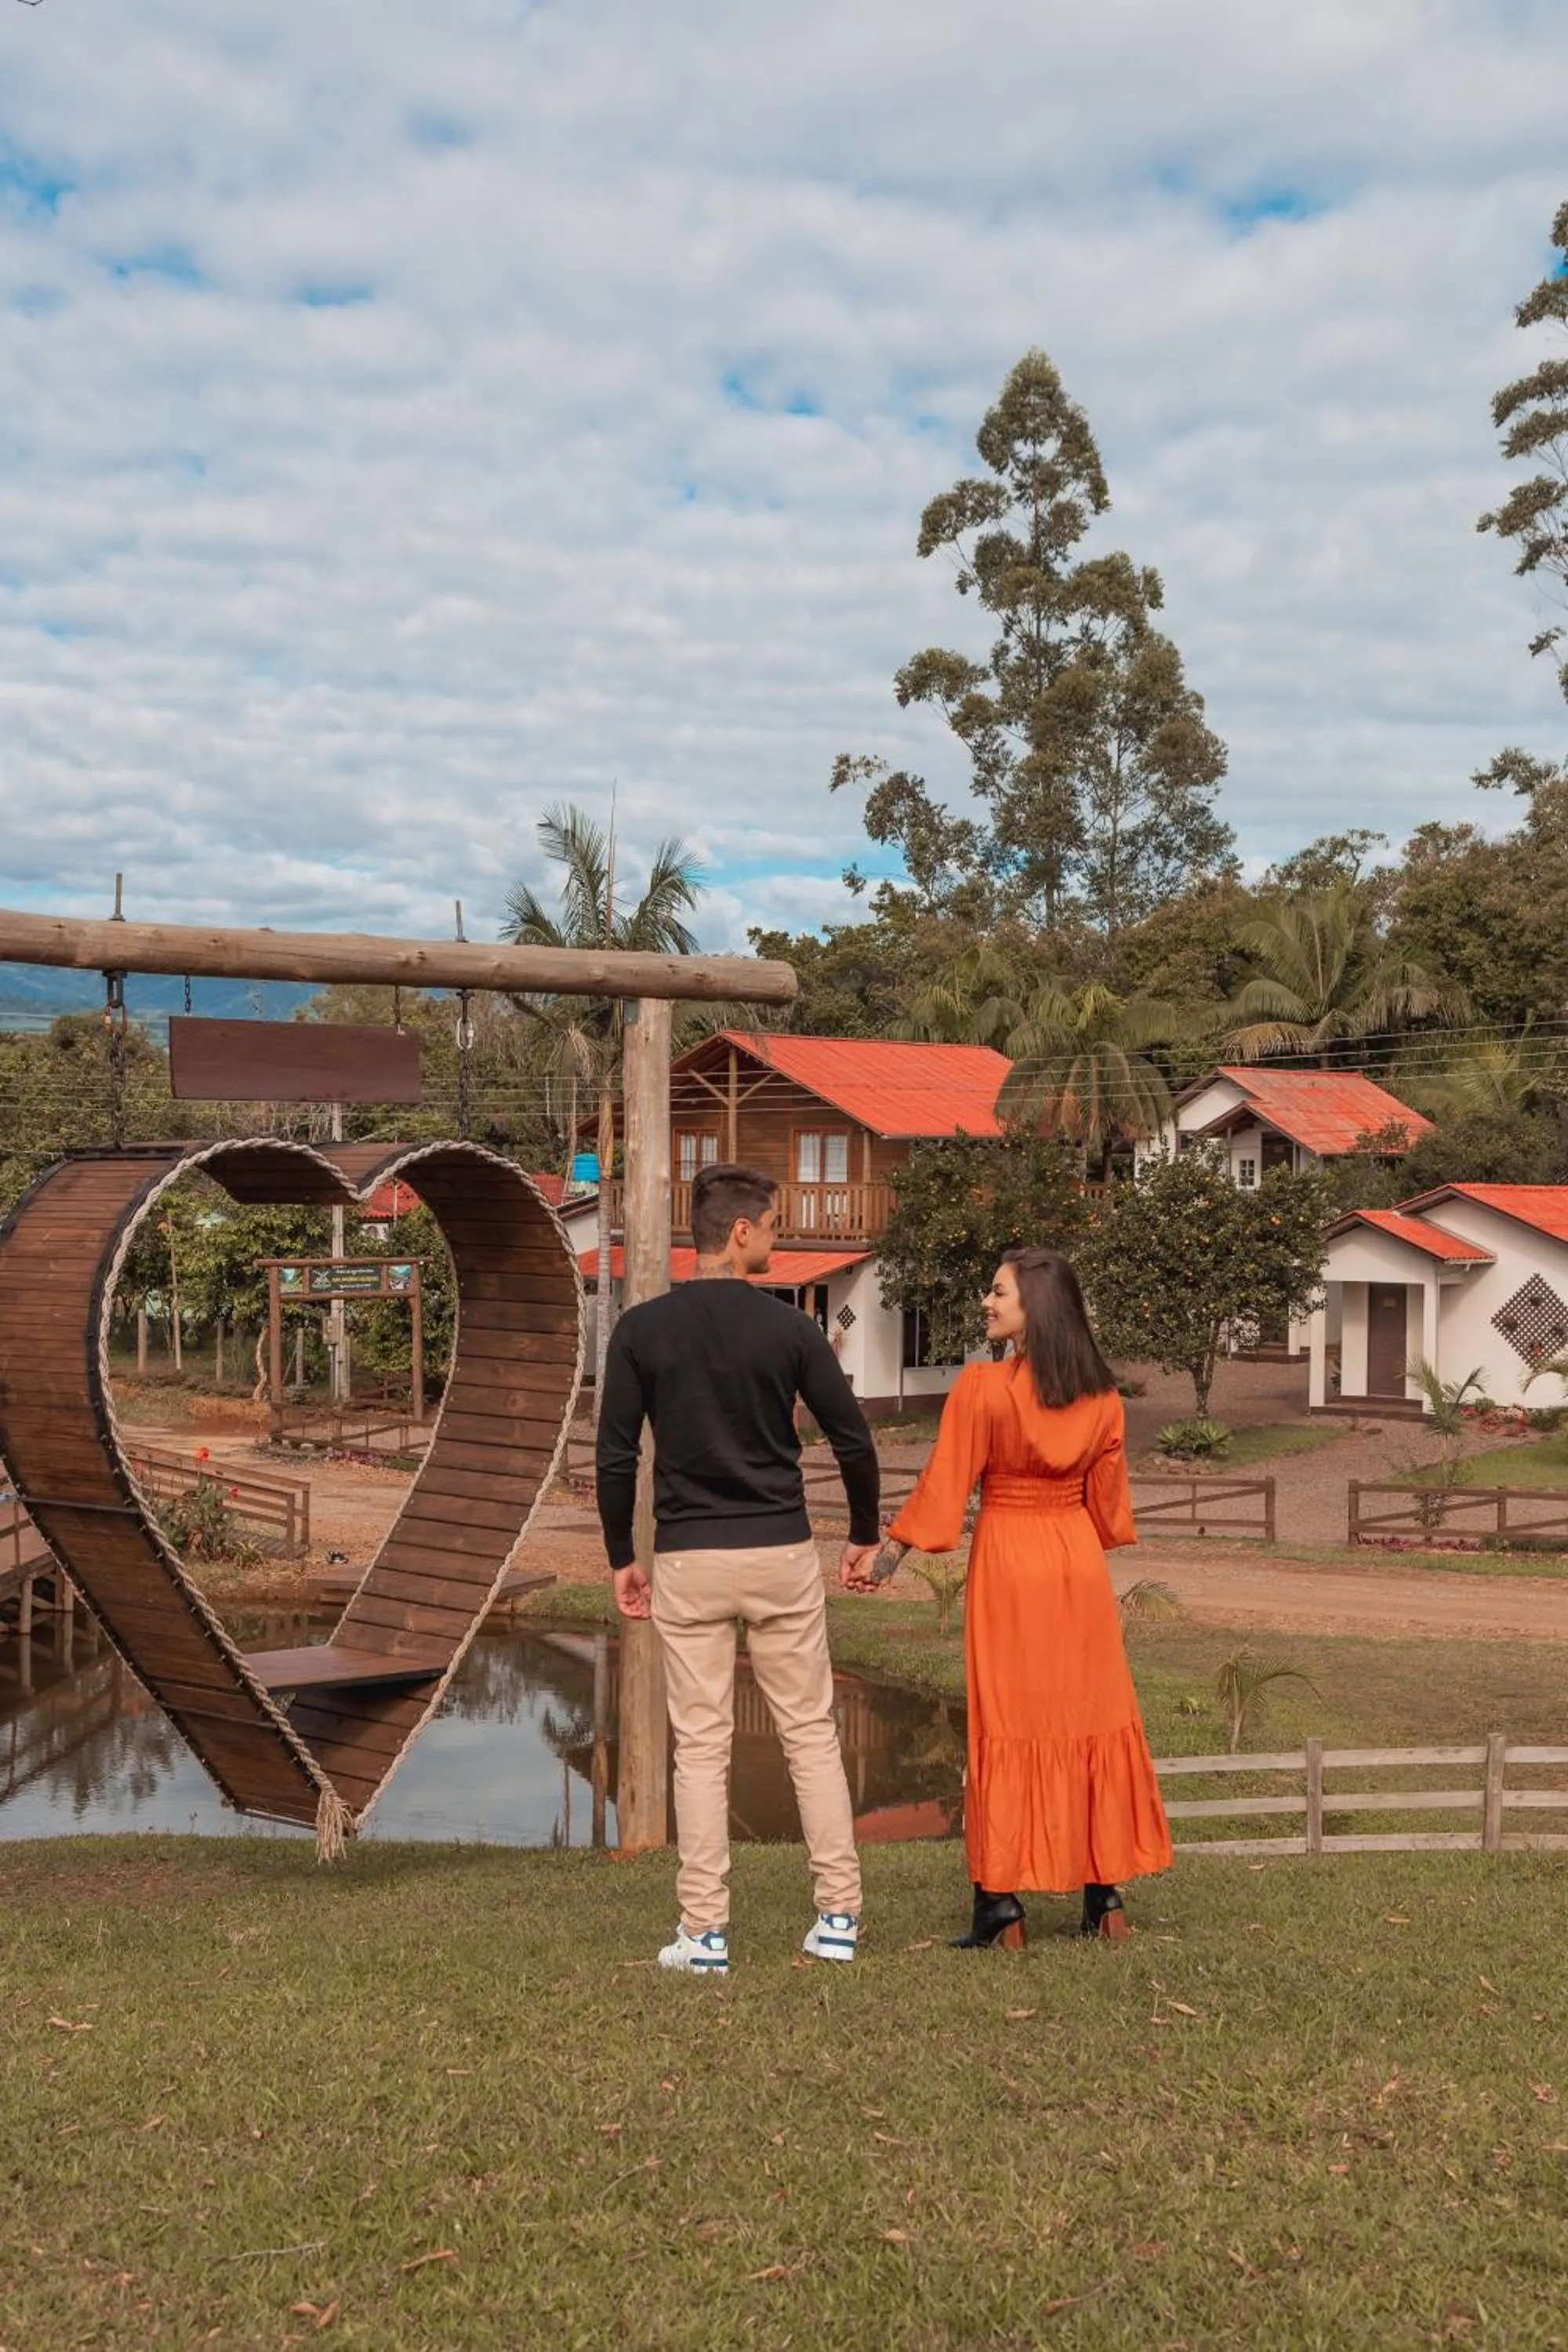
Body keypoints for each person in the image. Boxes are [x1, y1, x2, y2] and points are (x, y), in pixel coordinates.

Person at [596, 1163, 881, 1976]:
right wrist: (863, 1533)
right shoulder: (791, 1330)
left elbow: (615, 1456)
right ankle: (837, 1918)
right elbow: (852, 1438)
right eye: (774, 1225)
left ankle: (705, 1934)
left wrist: (621, 1557)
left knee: (701, 1746)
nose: (778, 1239)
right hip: (780, 1553)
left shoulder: (641, 1331)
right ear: (741, 1231)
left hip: (689, 1558)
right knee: (810, 1735)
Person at [859, 1246, 1171, 1947]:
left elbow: (946, 1482)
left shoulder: (983, 1388)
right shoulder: (1102, 1399)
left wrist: (890, 1555)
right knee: (1089, 1716)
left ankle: (1001, 1907)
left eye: (998, 1292)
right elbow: (1108, 1509)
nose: (987, 1302)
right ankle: (1105, 1898)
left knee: (1008, 1723)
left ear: (1037, 1306)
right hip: (1076, 1564)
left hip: (1009, 1561)